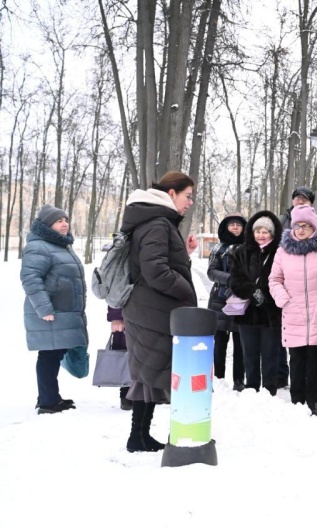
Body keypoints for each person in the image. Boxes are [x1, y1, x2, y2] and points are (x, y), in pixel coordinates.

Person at [120, 171, 198, 452]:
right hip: (151, 312)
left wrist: (183, 256)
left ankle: (138, 436)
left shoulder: (156, 221)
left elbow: (154, 264)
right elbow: (155, 271)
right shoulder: (157, 223)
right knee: (150, 373)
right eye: (188, 196)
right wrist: (187, 291)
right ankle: (141, 436)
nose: (190, 202)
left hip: (149, 309)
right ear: (172, 193)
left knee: (147, 374)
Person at [21, 204, 88, 414]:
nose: (65, 224)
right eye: (59, 220)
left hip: (63, 311)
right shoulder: (38, 246)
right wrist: (44, 309)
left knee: (55, 354)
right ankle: (48, 402)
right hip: (51, 312)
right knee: (49, 355)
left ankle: (50, 396)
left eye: (66, 219)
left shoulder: (60, 246)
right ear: (47, 224)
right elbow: (30, 278)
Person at [269, 205, 317, 415]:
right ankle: (297, 402)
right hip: (293, 311)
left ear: (314, 227)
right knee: (296, 360)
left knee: (315, 360)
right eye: (298, 225)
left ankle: (312, 402)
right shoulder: (283, 250)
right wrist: (284, 300)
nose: (301, 229)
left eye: (306, 225)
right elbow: (274, 280)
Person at [229, 210, 284, 395]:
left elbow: (284, 279)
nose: (261, 235)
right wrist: (254, 293)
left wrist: (266, 296)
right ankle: (251, 388)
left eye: (265, 231)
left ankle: (270, 390)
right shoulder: (241, 252)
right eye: (257, 231)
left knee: (270, 354)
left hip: (271, 313)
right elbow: (235, 280)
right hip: (247, 312)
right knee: (249, 354)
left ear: (272, 233)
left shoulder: (280, 253)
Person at [207, 212, 247, 391]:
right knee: (219, 341)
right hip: (220, 300)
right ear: (226, 227)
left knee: (241, 342)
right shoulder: (218, 248)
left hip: (242, 299)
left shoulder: (249, 248)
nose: (236, 228)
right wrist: (230, 279)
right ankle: (218, 377)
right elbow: (211, 272)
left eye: (239, 224)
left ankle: (239, 380)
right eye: (232, 225)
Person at [107, 307, 132, 410]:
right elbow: (115, 293)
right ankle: (127, 394)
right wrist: (116, 316)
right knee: (125, 353)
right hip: (128, 315)